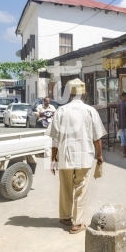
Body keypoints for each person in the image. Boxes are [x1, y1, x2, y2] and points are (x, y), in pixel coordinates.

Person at [48, 79, 107, 234]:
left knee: (65, 187)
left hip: (65, 155)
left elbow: (55, 137)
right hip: (84, 156)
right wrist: (100, 156)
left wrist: (53, 158)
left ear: (70, 94)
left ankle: (66, 217)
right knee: (80, 189)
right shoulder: (90, 111)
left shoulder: (61, 111)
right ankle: (77, 222)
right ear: (85, 94)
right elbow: (97, 137)